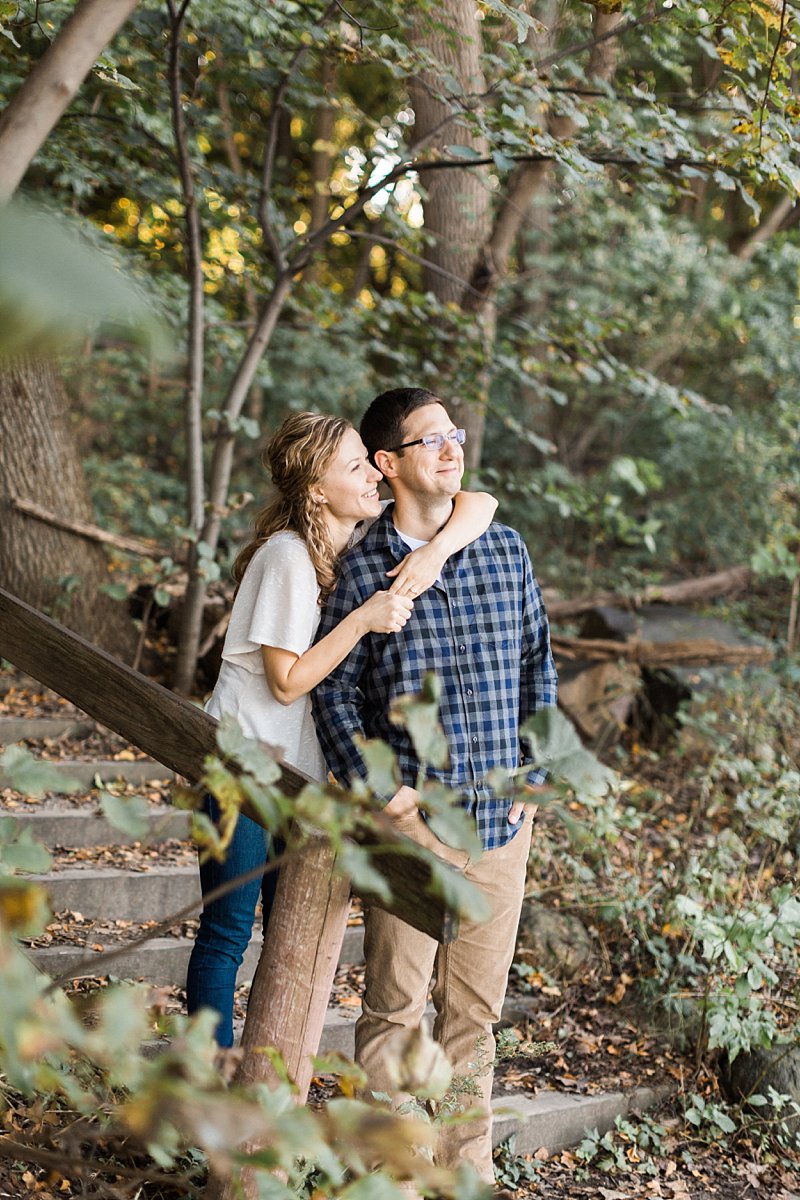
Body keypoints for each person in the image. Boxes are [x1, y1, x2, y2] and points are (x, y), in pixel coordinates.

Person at [186, 410, 498, 1048]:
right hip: (241, 772)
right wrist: (361, 620)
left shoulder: (346, 549)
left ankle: (260, 1080)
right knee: (226, 933)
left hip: (293, 780)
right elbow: (287, 681)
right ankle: (204, 1079)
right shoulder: (287, 559)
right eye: (355, 465)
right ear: (317, 492)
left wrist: (436, 551)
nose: (370, 474)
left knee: (284, 934)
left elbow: (481, 503)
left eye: (367, 459)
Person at [312, 388, 558, 1186]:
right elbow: (333, 690)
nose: (452, 449)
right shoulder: (359, 568)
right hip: (412, 829)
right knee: (392, 1014)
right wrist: (375, 786)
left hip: (499, 822)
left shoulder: (505, 549)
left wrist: (534, 769)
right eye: (430, 441)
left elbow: (537, 669)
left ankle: (466, 1174)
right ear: (388, 463)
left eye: (455, 435)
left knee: (476, 1018)